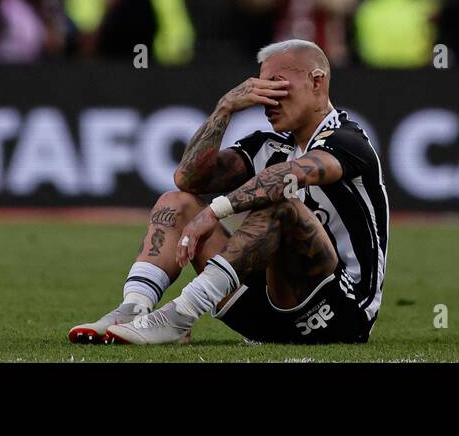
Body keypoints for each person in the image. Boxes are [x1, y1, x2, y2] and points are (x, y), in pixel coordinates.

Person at [68, 39, 389, 345]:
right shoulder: (269, 146)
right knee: (175, 203)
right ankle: (133, 309)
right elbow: (188, 179)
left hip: (341, 312)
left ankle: (180, 315)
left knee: (282, 206)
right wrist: (225, 108)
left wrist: (214, 212)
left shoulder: (349, 142)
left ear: (316, 82)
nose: (266, 100)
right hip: (266, 312)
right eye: (261, 88)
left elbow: (285, 178)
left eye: (277, 85)